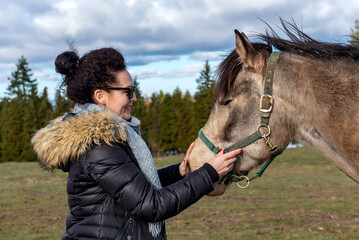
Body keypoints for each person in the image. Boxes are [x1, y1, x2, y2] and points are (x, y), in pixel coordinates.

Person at [31, 47, 243, 240]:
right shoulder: (99, 147)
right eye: (128, 92)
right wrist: (208, 173)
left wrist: (178, 173)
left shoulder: (108, 139)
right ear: (100, 96)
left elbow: (133, 188)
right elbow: (151, 206)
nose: (134, 98)